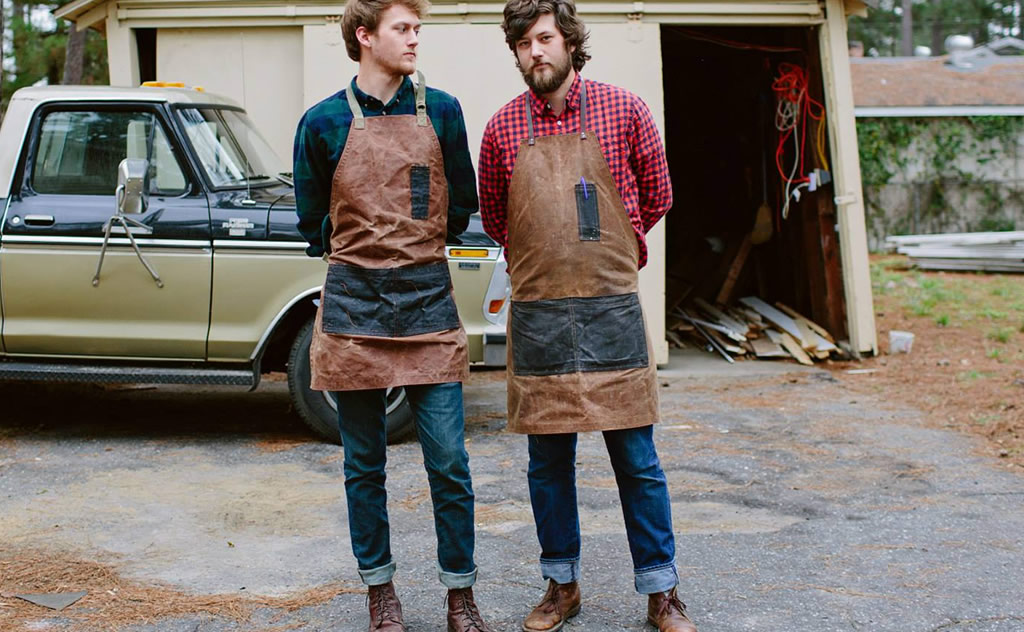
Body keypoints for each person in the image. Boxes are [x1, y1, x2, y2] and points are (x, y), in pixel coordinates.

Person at [477, 1, 697, 631]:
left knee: (637, 460)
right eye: (522, 44)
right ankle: (561, 586)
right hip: (541, 312)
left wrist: (610, 247)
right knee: (547, 464)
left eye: (544, 38)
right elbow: (497, 217)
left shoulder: (624, 110)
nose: (534, 52)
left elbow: (658, 194)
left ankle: (662, 591)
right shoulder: (500, 130)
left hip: (610, 310)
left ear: (569, 42)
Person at [292, 0, 492, 629]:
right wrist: (366, 244)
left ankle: (460, 595)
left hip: (429, 303)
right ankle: (381, 594)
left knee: (449, 463)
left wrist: (407, 242)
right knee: (363, 466)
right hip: (353, 309)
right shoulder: (321, 122)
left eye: (416, 28)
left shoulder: (444, 111)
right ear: (365, 36)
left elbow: (461, 202)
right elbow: (310, 223)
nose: (414, 40)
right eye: (402, 29)